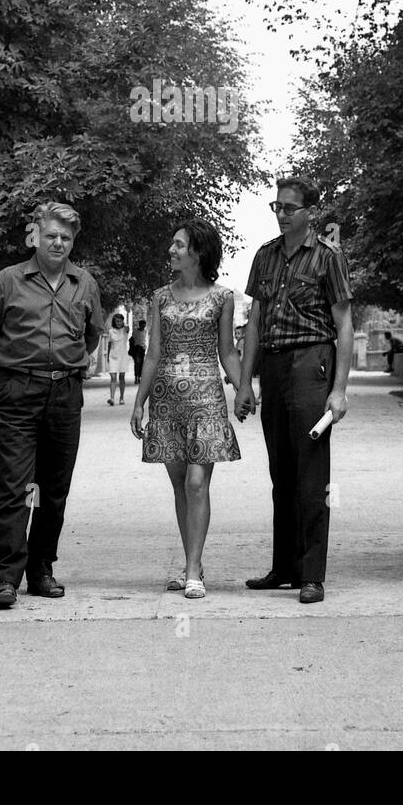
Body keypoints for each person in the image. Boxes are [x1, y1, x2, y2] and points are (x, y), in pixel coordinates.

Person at [0, 201, 105, 609]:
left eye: (66, 237)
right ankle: (6, 578)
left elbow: (92, 334)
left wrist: (65, 366)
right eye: (51, 235)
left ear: (73, 241)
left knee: (53, 488)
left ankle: (41, 570)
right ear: (35, 235)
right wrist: (10, 365)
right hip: (17, 392)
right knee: (13, 484)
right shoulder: (8, 280)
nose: (58, 243)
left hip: (65, 394)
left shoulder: (84, 283)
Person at [235, 176, 352, 605]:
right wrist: (245, 382)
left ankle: (312, 574)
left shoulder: (327, 257)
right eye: (276, 207)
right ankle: (284, 567)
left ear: (309, 212)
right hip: (274, 365)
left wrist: (338, 391)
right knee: (280, 473)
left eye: (289, 208)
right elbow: (254, 325)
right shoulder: (265, 256)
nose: (281, 214)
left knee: (310, 475)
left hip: (311, 363)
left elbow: (344, 325)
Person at [130, 219, 242, 600]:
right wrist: (139, 401)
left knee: (198, 483)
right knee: (180, 486)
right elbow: (153, 352)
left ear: (198, 251)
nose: (171, 250)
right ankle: (192, 559)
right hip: (166, 400)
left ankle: (194, 570)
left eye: (179, 245)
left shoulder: (222, 297)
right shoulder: (160, 297)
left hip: (207, 398)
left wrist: (243, 388)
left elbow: (227, 350)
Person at [106, 312, 130, 405]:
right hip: (113, 356)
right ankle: (112, 398)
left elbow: (127, 327)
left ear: (122, 321)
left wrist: (127, 311)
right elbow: (109, 344)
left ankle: (121, 397)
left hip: (123, 356)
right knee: (113, 377)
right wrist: (108, 356)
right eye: (117, 321)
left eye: (120, 321)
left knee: (122, 377)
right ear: (114, 322)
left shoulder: (125, 330)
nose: (118, 323)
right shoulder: (111, 331)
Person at [128, 316, 148, 388]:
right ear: (140, 325)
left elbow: (144, 339)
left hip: (142, 349)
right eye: (142, 325)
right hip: (137, 349)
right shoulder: (135, 331)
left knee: (141, 364)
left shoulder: (145, 331)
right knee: (137, 363)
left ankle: (139, 378)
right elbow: (132, 339)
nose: (143, 327)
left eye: (144, 326)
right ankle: (136, 378)